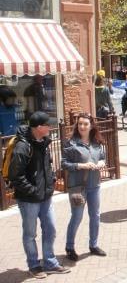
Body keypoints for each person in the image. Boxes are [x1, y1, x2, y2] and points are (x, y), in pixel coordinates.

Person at [8, 111, 70, 279]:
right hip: (29, 199)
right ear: (39, 127)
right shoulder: (23, 147)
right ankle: (34, 265)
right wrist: (33, 191)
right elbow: (15, 176)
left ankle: (50, 262)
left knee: (50, 229)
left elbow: (46, 167)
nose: (50, 127)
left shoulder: (43, 142)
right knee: (30, 234)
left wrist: (51, 181)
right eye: (47, 125)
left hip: (45, 196)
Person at [62, 113, 107, 261]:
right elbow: (64, 164)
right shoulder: (71, 143)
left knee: (95, 216)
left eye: (85, 124)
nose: (82, 126)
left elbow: (102, 157)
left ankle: (93, 245)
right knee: (77, 217)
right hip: (77, 187)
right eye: (80, 124)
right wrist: (80, 165)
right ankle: (69, 247)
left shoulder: (96, 143)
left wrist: (101, 163)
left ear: (91, 125)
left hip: (94, 185)